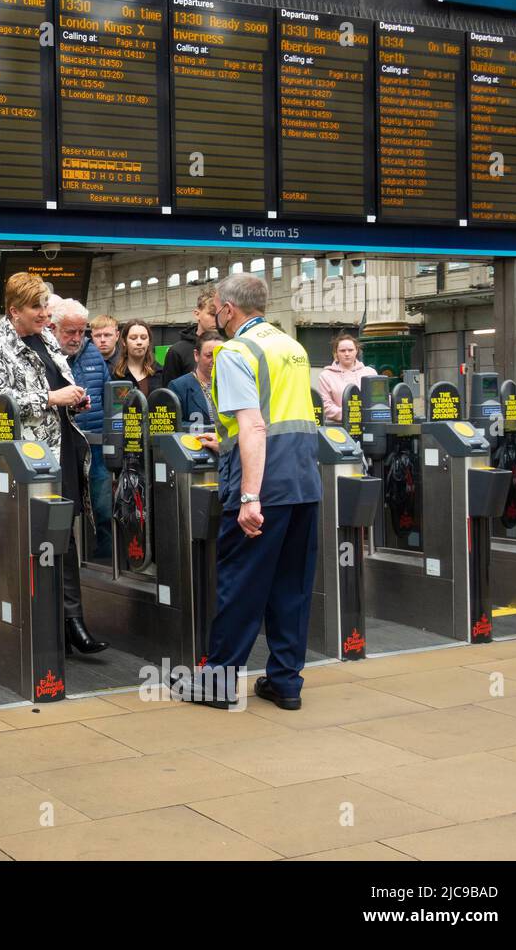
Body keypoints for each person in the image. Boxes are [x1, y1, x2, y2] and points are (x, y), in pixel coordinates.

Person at [192, 273, 321, 711]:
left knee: (242, 584)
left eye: (216, 310)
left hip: (264, 485)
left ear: (227, 310)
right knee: (292, 586)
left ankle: (218, 682)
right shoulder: (292, 347)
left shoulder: (235, 351)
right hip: (304, 482)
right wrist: (223, 440)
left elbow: (254, 424)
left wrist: (249, 496)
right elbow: (279, 415)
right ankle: (285, 682)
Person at [0, 272, 108, 656]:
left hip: (61, 448)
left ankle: (72, 621)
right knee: (36, 540)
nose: (45, 314)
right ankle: (38, 626)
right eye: (37, 307)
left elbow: (60, 383)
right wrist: (51, 398)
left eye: (46, 306)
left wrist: (74, 398)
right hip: (27, 459)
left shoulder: (47, 337)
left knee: (62, 535)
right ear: (14, 310)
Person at [50, 297, 113, 561]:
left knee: (102, 505)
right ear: (53, 328)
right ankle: (67, 558)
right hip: (62, 446)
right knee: (64, 504)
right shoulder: (46, 356)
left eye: (81, 331)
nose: (77, 338)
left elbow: (109, 397)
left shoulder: (93, 355)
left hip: (95, 445)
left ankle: (104, 559)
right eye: (70, 332)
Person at [168, 330, 224, 431]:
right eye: (209, 355)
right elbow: (174, 426)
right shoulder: (178, 387)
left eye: (219, 354)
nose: (215, 359)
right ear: (196, 355)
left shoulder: (232, 384)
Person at [317, 332, 378, 423]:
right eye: (342, 351)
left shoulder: (370, 372)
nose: (347, 353)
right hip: (339, 428)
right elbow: (326, 405)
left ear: (356, 351)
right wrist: (349, 415)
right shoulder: (326, 376)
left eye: (350, 350)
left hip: (368, 425)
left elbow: (379, 399)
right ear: (336, 353)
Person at [162, 285, 217, 384]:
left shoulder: (229, 346)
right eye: (212, 314)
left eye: (220, 315)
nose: (217, 320)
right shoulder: (177, 352)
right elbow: (169, 395)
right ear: (197, 314)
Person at [112, 318, 163, 397]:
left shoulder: (159, 372)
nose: (139, 342)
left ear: (149, 341)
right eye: (133, 338)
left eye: (143, 338)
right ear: (124, 342)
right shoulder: (115, 374)